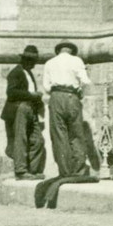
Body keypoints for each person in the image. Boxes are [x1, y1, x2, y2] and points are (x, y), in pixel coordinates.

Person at [41, 40, 91, 177]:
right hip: (72, 97)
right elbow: (86, 81)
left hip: (56, 97)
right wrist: (80, 91)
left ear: (59, 50)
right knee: (76, 133)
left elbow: (46, 86)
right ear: (71, 51)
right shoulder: (77, 61)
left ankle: (65, 170)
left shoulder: (49, 63)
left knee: (59, 134)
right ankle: (79, 169)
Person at [1, 44, 46, 179]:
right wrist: (31, 95)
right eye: (31, 61)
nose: (33, 64)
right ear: (25, 60)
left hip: (30, 109)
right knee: (20, 139)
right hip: (19, 108)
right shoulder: (16, 72)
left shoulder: (28, 72)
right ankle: (21, 171)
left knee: (38, 140)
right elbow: (11, 92)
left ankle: (32, 170)